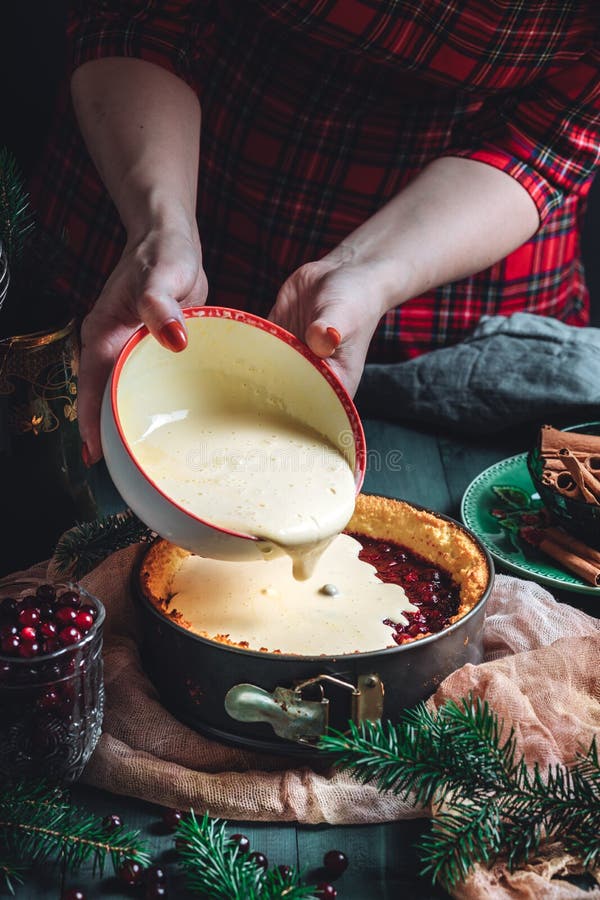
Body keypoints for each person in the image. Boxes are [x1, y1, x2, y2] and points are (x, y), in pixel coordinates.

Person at [31, 2, 600, 465]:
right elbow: (139, 15)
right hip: (168, 167)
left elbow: (550, 136)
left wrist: (368, 272)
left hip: (455, 268)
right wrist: (160, 226)